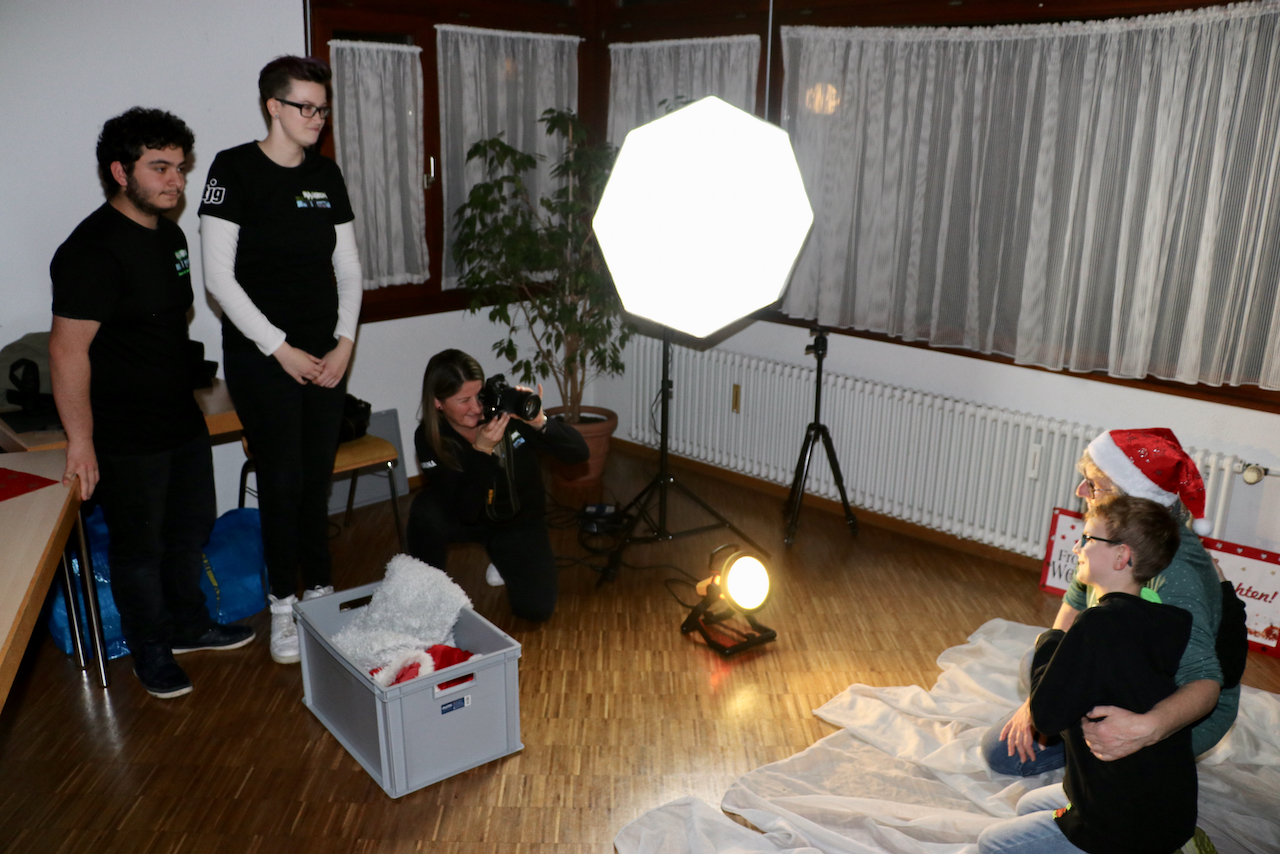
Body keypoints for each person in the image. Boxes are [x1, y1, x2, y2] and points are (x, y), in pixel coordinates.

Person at [49, 107, 254, 699]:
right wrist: (81, 443)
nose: (176, 181)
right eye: (160, 167)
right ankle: (152, 651)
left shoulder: (169, 236)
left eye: (181, 168)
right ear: (120, 172)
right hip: (124, 431)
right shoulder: (91, 250)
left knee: (189, 531)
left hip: (179, 418)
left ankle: (189, 625)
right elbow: (66, 351)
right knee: (139, 551)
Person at [198, 56, 362, 664]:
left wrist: (344, 342)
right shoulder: (233, 169)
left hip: (325, 354)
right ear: (274, 106)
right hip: (262, 356)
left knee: (315, 477)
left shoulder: (326, 174)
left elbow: (349, 269)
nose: (317, 118)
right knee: (282, 479)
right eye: (306, 107)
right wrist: (280, 348)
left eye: (323, 109)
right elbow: (218, 280)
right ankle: (283, 605)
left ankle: (318, 590)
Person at [982, 427, 1245, 776]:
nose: (1081, 491)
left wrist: (1145, 729)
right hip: (1121, 666)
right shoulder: (1109, 534)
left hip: (1172, 710)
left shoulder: (1175, 575)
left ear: (1133, 498)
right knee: (1037, 658)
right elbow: (1073, 605)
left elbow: (1205, 683)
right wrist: (1039, 697)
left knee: (1003, 754)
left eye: (1094, 485)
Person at [978, 496, 1198, 854]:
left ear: (1121, 556)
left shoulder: (1098, 624)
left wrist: (1050, 641)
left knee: (991, 844)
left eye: (1087, 539)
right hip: (1169, 812)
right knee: (1027, 805)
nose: (1076, 547)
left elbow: (1046, 717)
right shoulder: (1169, 619)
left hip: (1121, 828)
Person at [406, 350, 588, 622]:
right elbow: (466, 511)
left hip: (516, 519)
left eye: (478, 395)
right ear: (438, 403)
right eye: (464, 400)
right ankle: (425, 595)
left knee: (535, 610)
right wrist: (482, 452)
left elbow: (579, 454)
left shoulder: (504, 413)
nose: (476, 408)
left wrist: (539, 422)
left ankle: (503, 558)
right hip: (468, 516)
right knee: (425, 511)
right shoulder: (430, 437)